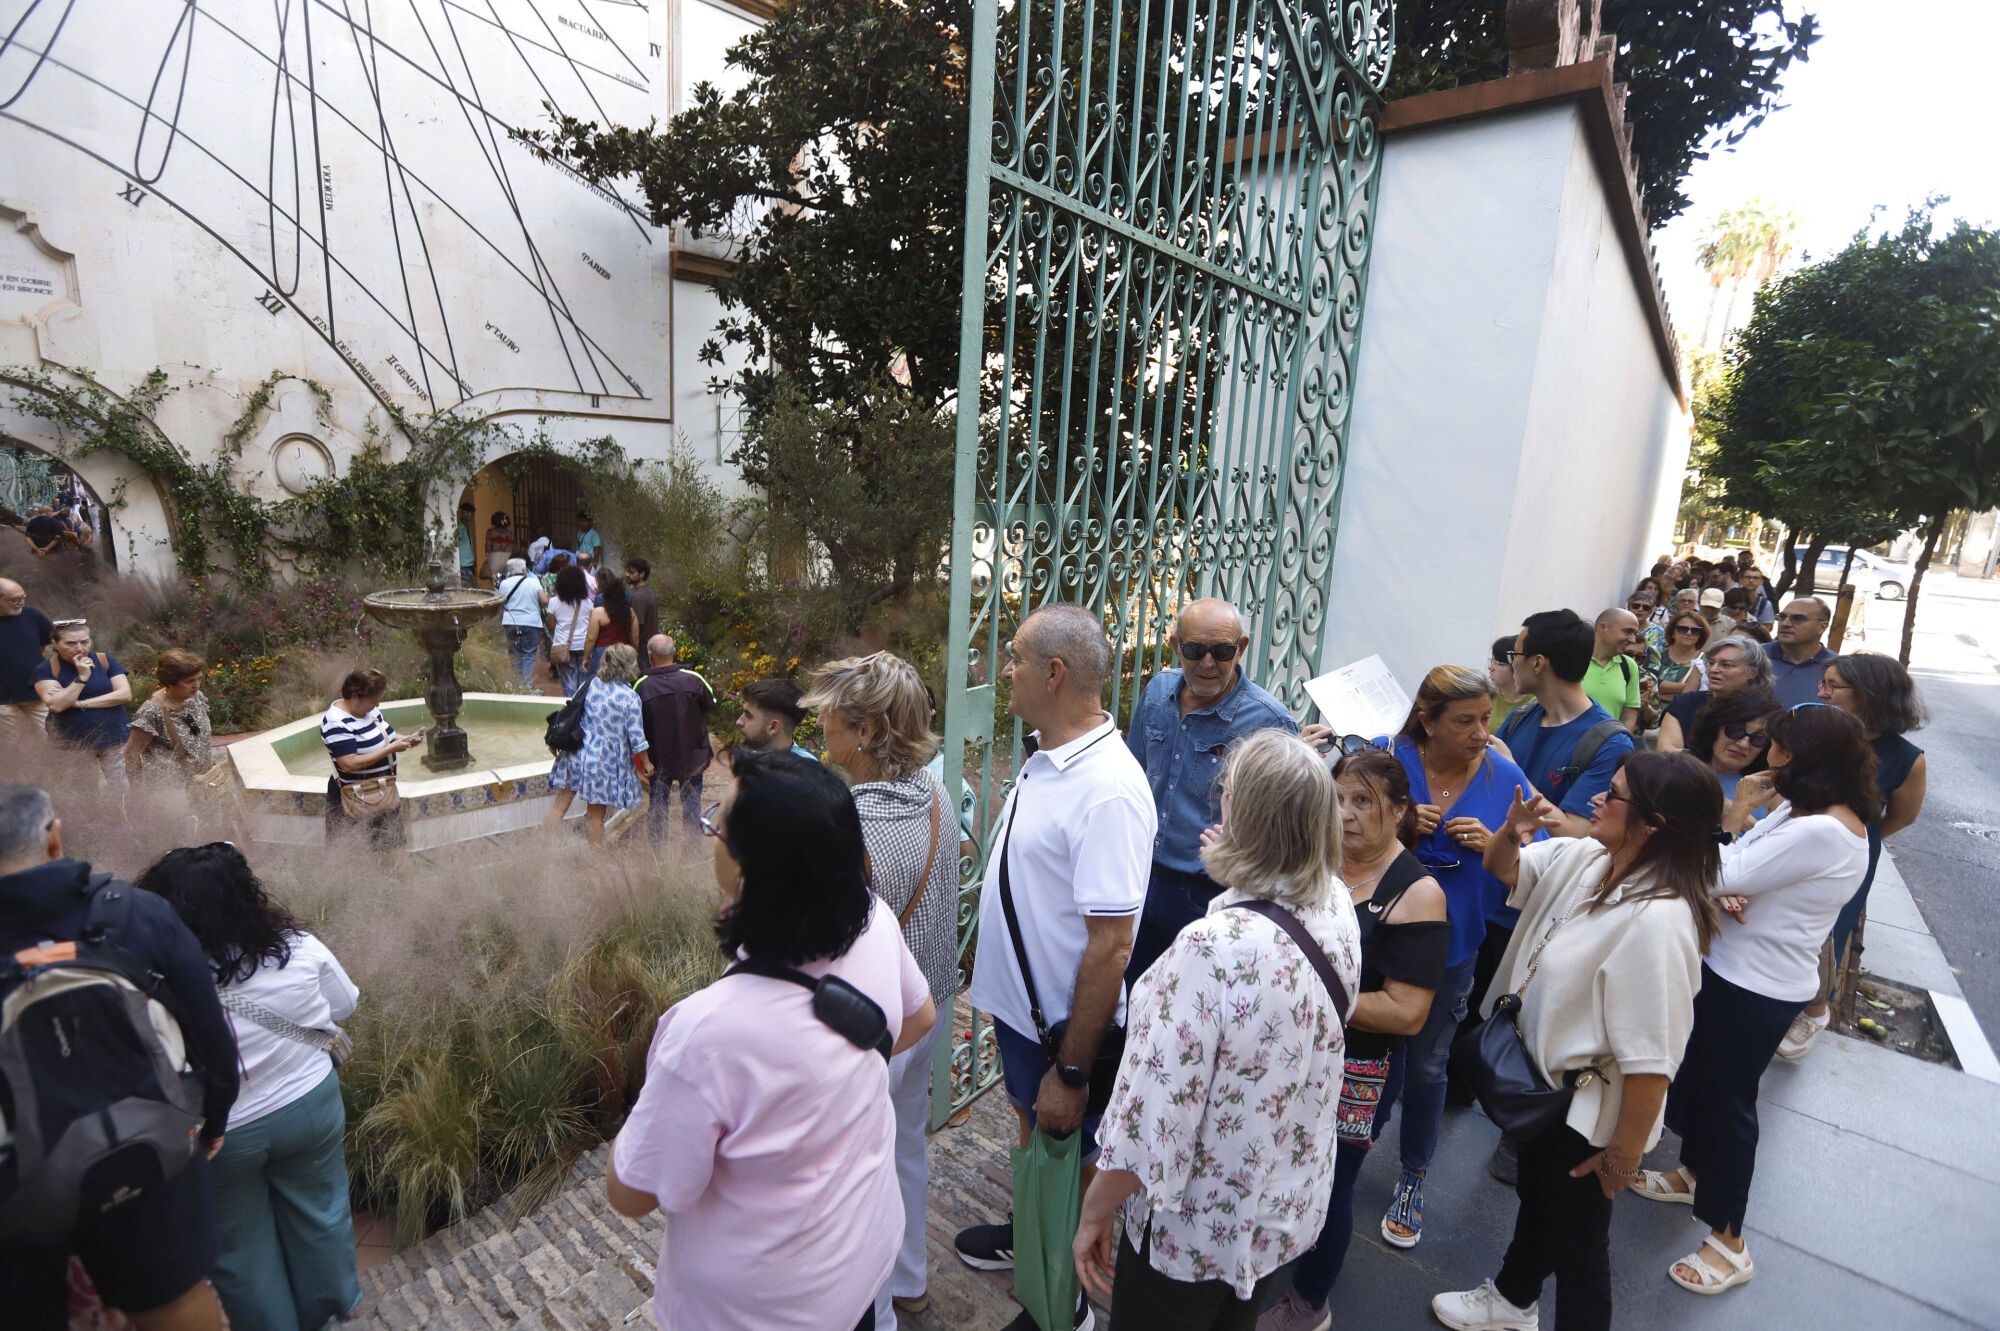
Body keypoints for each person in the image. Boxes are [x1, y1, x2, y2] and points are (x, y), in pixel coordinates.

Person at [609, 751, 935, 1331]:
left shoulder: (708, 1033)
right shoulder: (872, 920)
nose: (711, 834)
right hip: (856, 1274)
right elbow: (921, 1015)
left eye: (716, 826)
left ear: (747, 872)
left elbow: (631, 1193)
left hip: (758, 1311)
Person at [1077, 731, 1360, 1331]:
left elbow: (1155, 1117)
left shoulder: (1211, 950)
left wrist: (1095, 1211)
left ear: (1242, 815)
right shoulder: (1335, 902)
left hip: (1195, 1232)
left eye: (1229, 794)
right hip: (1279, 1208)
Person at [1431, 754, 1720, 1331]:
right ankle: (1513, 1301)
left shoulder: (1659, 924)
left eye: (1612, 796)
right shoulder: (1591, 858)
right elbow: (1503, 870)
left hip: (1589, 1119)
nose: (1595, 801)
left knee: (1582, 1251)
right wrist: (1510, 835)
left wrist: (1622, 1161)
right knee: (1543, 1204)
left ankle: (1516, 1302)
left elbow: (1651, 1066)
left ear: (1653, 825)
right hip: (1548, 1092)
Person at [956, 605, 1156, 1331]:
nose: (1002, 669)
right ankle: (1031, 1231)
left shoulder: (1106, 789)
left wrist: (1072, 1072)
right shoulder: (1051, 756)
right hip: (1025, 1019)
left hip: (1060, 1035)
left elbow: (1111, 947)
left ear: (1054, 671)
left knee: (1065, 1152)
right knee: (1032, 1134)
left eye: (1012, 656)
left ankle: (1060, 1305)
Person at [1636, 706, 1872, 1298]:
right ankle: (1694, 1172)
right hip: (1735, 969)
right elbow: (1741, 870)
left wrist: (1734, 820)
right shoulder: (1806, 810)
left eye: (1780, 747)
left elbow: (1719, 873)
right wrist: (1739, 844)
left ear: (1804, 758)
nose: (1770, 754)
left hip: (1755, 986)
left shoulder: (1821, 828)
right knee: (1701, 1085)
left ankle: (1729, 1241)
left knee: (1729, 1108)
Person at [0, 783, 239, 1331]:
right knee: (175, 1302)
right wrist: (211, 1123)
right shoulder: (134, 913)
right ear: (54, 839)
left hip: (16, 1199)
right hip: (144, 1156)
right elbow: (211, 1039)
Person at [1337, 666, 1534, 1233]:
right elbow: (1336, 817)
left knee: (1427, 1065)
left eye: (1485, 718)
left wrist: (1499, 840)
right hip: (1367, 938)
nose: (1481, 732)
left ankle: (1413, 1176)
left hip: (1452, 949)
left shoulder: (1503, 772)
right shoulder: (1385, 757)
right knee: (1363, 1055)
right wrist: (1402, 829)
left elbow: (1535, 858)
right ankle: (1346, 1147)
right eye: (1465, 721)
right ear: (1427, 720)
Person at [139, 843, 362, 1331]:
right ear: (247, 894)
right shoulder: (299, 947)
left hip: (223, 1133)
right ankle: (332, 1318)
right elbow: (344, 1004)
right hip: (309, 1105)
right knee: (321, 1216)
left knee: (240, 1250)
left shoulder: (157, 983)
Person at [1260, 748, 1444, 1331]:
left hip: (1358, 1070)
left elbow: (1407, 1012)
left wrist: (1306, 998)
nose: (1345, 813)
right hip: (1295, 1052)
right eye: (1337, 798)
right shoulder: (1318, 862)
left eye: (1363, 801)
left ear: (1398, 810)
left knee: (1333, 1183)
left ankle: (1309, 1304)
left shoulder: (1417, 894)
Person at [803, 652, 961, 1327]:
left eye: (831, 722)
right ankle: (910, 1282)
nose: (821, 733)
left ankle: (872, 1309)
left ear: (865, 733)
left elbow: (835, 944)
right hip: (929, 1003)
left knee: (856, 1172)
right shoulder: (932, 790)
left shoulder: (850, 827)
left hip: (874, 1023)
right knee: (905, 1147)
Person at [1123, 598, 1297, 985]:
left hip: (1208, 893)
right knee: (1127, 998)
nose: (1206, 663)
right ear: (1174, 645)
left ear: (1242, 648)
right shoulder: (1157, 694)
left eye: (1221, 652)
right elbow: (1132, 776)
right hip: (1139, 878)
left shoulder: (1269, 722)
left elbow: (1284, 830)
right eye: (1194, 650)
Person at [1784, 653, 1929, 1058]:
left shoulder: (1907, 758)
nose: (1822, 693)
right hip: (1789, 839)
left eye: (1832, 686)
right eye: (1822, 683)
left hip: (1847, 856)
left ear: (1868, 694)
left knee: (1828, 931)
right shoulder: (1817, 732)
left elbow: (1901, 816)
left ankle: (1813, 1009)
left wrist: (1852, 838)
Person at [1495, 610, 1634, 839]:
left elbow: (1576, 835)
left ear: (1538, 662)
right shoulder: (1521, 716)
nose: (1513, 664)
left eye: (1515, 654)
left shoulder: (1611, 744)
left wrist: (1512, 770)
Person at [546, 644, 651, 845]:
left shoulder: (591, 684)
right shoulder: (630, 697)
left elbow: (572, 710)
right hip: (604, 762)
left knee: (559, 805)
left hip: (576, 753)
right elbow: (636, 737)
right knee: (595, 816)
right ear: (629, 666)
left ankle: (541, 849)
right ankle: (596, 863)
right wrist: (647, 763)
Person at [320, 668, 422, 848]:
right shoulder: (336, 722)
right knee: (358, 857)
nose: (376, 707)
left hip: (382, 793)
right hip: (355, 798)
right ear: (354, 696)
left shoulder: (368, 711)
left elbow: (386, 735)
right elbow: (348, 764)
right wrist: (390, 749)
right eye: (372, 702)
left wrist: (406, 739)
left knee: (392, 849)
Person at [33, 619, 133, 788]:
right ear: (55, 644)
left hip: (113, 735)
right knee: (84, 791)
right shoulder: (47, 669)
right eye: (71, 643)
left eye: (84, 642)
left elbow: (124, 694)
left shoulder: (104, 660)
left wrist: (79, 704)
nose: (79, 648)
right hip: (72, 741)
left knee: (120, 787)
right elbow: (57, 705)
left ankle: (122, 814)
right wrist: (82, 677)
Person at [637, 635, 714, 845]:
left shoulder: (643, 686)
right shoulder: (694, 679)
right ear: (674, 652)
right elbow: (710, 704)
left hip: (658, 759)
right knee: (691, 802)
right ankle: (692, 849)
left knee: (658, 805)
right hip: (692, 755)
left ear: (650, 655)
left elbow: (635, 723)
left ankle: (659, 854)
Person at [1656, 633, 1772, 754]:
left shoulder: (1766, 714)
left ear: (1752, 672)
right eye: (1711, 663)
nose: (1713, 669)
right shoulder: (1685, 703)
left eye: (1726, 664)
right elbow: (1666, 752)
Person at [126, 649, 216, 781]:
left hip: (202, 781)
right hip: (170, 788)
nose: (196, 685)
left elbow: (199, 737)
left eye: (199, 679)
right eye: (189, 681)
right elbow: (131, 753)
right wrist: (139, 793)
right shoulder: (151, 711)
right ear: (170, 682)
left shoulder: (196, 697)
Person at [1684, 688, 1782, 803]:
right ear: (1715, 728)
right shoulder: (1677, 768)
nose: (1744, 744)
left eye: (1759, 738)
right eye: (1736, 730)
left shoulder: (1771, 792)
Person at [0, 577, 55, 749]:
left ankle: (56, 775)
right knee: (12, 746)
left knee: (53, 739)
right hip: (2, 701)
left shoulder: (32, 615)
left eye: (23, 597)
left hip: (37, 693)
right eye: (14, 599)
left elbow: (44, 644)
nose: (21, 602)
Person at [1763, 597, 1835, 707]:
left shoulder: (1837, 668)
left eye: (1797, 618)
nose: (1785, 623)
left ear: (1822, 627)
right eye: (1782, 617)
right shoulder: (1753, 657)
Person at [1581, 609, 1642, 731]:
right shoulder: (1573, 658)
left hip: (1608, 746)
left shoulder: (1628, 666)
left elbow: (1629, 716)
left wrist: (1621, 745)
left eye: (1635, 633)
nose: (1633, 640)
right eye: (1628, 631)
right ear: (1603, 628)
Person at [496, 557, 549, 685]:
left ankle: (517, 684)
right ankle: (526, 686)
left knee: (515, 654)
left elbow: (499, 603)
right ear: (523, 569)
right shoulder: (533, 582)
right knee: (529, 654)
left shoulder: (504, 584)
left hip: (511, 623)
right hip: (531, 623)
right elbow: (545, 601)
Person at [735, 677, 816, 758]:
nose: (739, 721)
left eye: (748, 715)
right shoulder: (741, 757)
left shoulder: (806, 768)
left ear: (773, 727)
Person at [547, 564, 595, 695]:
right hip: (584, 646)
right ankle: (580, 709)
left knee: (568, 683)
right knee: (583, 683)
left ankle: (570, 709)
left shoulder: (554, 602)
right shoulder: (588, 603)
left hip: (563, 647)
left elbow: (550, 625)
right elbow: (592, 624)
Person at [585, 572, 638, 676]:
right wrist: (634, 652)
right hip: (623, 651)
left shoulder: (598, 612)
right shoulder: (630, 612)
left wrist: (586, 657)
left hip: (602, 653)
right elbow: (635, 636)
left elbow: (591, 638)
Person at [1653, 610, 1710, 703]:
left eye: (1695, 630)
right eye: (1683, 629)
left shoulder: (1706, 661)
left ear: (1700, 635)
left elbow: (1697, 697)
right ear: (1672, 632)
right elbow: (1647, 683)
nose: (1689, 633)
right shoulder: (1656, 652)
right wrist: (1688, 686)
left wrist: (1658, 692)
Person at [1487, 637, 1530, 733]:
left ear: (1517, 666)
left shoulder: (1535, 702)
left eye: (1499, 663)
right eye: (1491, 660)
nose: (1490, 667)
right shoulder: (1487, 695)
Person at [624, 557, 660, 645]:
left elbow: (636, 626)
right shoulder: (648, 591)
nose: (627, 575)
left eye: (632, 572)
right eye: (627, 571)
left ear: (642, 574)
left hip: (642, 646)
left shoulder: (639, 596)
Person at [483, 511, 515, 583]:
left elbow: (488, 545)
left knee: (495, 579)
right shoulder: (509, 533)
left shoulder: (490, 532)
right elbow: (513, 547)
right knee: (507, 579)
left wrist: (487, 554)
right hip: (508, 555)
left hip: (494, 556)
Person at [455, 501, 477, 585]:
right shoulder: (460, 527)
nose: (472, 516)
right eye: (471, 514)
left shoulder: (467, 527)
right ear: (464, 513)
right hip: (463, 564)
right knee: (469, 587)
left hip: (469, 563)